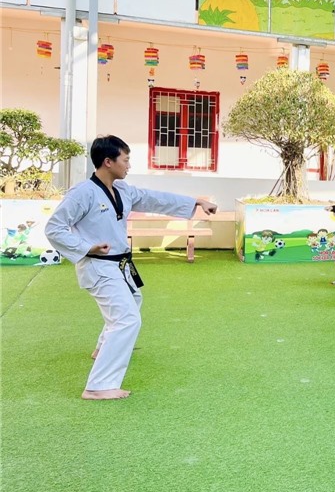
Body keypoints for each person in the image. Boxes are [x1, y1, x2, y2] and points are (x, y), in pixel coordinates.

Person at [44, 135, 217, 400]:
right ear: (108, 161)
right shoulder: (83, 193)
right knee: (126, 319)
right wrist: (87, 247)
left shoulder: (123, 190)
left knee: (133, 300)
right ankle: (99, 386)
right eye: (125, 160)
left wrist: (195, 202)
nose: (128, 165)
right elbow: (54, 228)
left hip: (121, 265)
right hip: (98, 266)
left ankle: (103, 348)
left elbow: (155, 199)